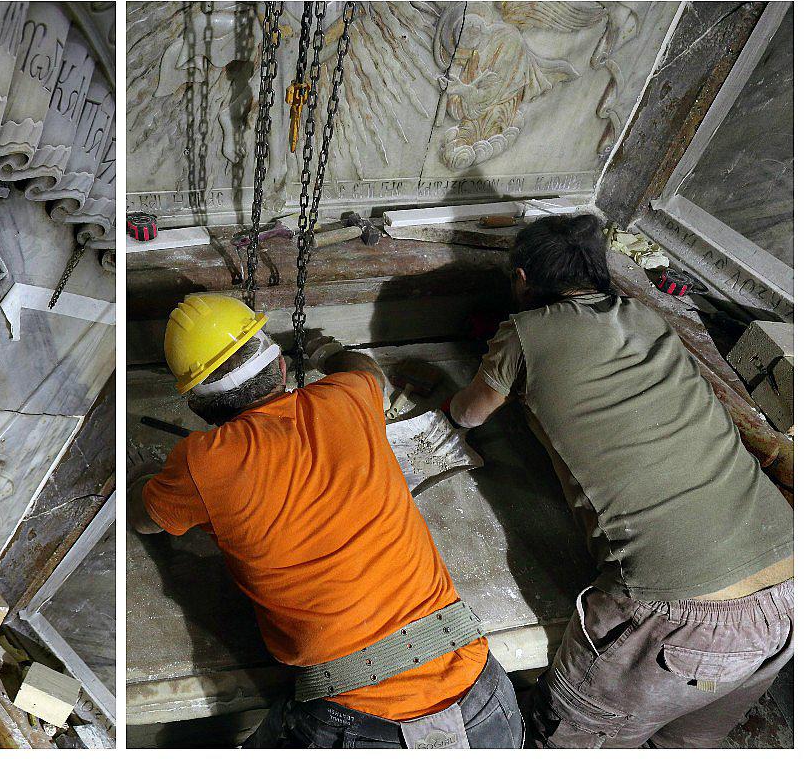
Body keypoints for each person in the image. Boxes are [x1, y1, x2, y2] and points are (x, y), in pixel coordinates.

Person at [449, 213, 793, 748]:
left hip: (680, 612)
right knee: (682, 741)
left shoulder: (523, 332)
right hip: (788, 577)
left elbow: (469, 415)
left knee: (569, 738)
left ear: (521, 280)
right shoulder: (646, 317)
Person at [130, 293, 523, 748]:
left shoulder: (202, 464)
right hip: (483, 699)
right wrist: (324, 350)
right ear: (279, 369)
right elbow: (364, 369)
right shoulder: (349, 397)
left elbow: (145, 520)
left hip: (356, 723)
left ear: (197, 407)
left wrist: (144, 474)